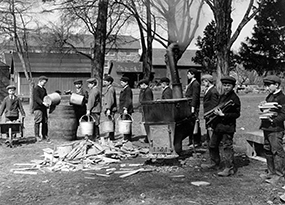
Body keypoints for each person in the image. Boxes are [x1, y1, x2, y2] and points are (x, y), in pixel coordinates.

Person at [201, 76, 241, 177]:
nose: (226, 87)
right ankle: (215, 163)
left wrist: (223, 115)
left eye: (229, 85)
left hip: (228, 127)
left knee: (227, 147)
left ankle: (229, 168)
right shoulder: (223, 96)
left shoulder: (234, 98)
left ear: (233, 86)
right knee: (212, 145)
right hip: (218, 126)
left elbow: (236, 114)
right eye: (225, 85)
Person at [259, 75, 285, 184]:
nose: (267, 88)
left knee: (277, 152)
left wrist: (273, 121)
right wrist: (262, 107)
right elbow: (268, 110)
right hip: (266, 128)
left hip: (276, 129)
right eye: (266, 85)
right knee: (267, 150)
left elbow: (283, 114)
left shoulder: (282, 98)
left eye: (269, 85)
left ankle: (280, 175)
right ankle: (271, 172)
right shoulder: (269, 96)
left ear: (277, 85)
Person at [185, 68, 201, 146]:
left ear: (193, 74)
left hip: (193, 105)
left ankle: (196, 141)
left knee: (195, 123)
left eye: (188, 74)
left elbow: (195, 96)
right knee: (190, 123)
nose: (187, 75)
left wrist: (193, 107)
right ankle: (191, 140)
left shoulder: (195, 84)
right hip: (189, 105)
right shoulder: (191, 83)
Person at [201, 74, 219, 143]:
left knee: (211, 129)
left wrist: (211, 115)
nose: (203, 84)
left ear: (208, 81)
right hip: (207, 113)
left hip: (210, 115)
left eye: (204, 82)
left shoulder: (213, 91)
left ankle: (213, 144)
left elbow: (214, 105)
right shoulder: (208, 90)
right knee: (208, 128)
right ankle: (210, 143)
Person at [33, 76, 50, 142]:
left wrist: (48, 103)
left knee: (45, 122)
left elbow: (46, 97)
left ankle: (44, 135)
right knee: (38, 121)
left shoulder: (44, 89)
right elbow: (36, 98)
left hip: (44, 108)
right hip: (38, 108)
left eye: (45, 82)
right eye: (44, 82)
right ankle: (37, 136)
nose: (44, 83)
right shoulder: (36, 89)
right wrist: (43, 103)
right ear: (40, 81)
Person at [138, 79, 153, 143]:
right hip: (145, 109)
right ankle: (146, 138)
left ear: (144, 84)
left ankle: (147, 139)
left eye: (141, 84)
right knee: (145, 123)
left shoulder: (148, 91)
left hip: (147, 110)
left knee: (146, 124)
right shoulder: (144, 90)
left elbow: (148, 101)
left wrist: (146, 110)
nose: (140, 86)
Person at [102, 75, 117, 141]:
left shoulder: (111, 89)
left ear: (109, 82)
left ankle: (111, 136)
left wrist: (108, 109)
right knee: (109, 122)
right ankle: (110, 135)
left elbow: (110, 100)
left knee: (111, 122)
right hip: (109, 108)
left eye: (105, 82)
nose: (104, 83)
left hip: (110, 109)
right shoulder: (108, 88)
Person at [119, 76, 133, 142]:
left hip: (125, 109)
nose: (121, 83)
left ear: (126, 82)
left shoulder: (128, 89)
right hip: (123, 108)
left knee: (126, 123)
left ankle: (127, 138)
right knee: (124, 123)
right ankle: (126, 137)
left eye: (122, 82)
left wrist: (126, 108)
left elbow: (128, 99)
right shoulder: (125, 89)